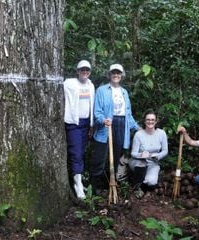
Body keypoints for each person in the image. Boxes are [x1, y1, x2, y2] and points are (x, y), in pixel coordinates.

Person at [90, 63, 139, 195]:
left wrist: (137, 127)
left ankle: (109, 185)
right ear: (109, 75)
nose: (116, 75)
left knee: (115, 157)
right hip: (106, 124)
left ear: (122, 75)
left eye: (118, 73)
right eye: (113, 73)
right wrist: (102, 120)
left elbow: (128, 114)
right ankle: (95, 189)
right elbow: (97, 111)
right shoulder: (102, 90)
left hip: (121, 124)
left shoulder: (124, 92)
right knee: (100, 156)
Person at [64, 60, 95, 199]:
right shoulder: (70, 83)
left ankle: (78, 179)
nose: (85, 72)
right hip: (74, 123)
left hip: (86, 123)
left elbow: (91, 105)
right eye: (82, 69)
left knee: (81, 153)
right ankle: (78, 184)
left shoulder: (91, 85)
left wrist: (91, 125)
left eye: (87, 70)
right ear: (77, 71)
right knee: (76, 153)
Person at [129, 109, 168, 198]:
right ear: (144, 121)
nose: (150, 122)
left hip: (153, 162)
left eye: (152, 120)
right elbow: (133, 153)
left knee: (151, 182)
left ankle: (141, 180)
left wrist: (158, 156)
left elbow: (165, 151)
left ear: (156, 121)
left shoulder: (162, 133)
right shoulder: (138, 134)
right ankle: (136, 187)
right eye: (148, 120)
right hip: (138, 161)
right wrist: (141, 155)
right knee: (141, 164)